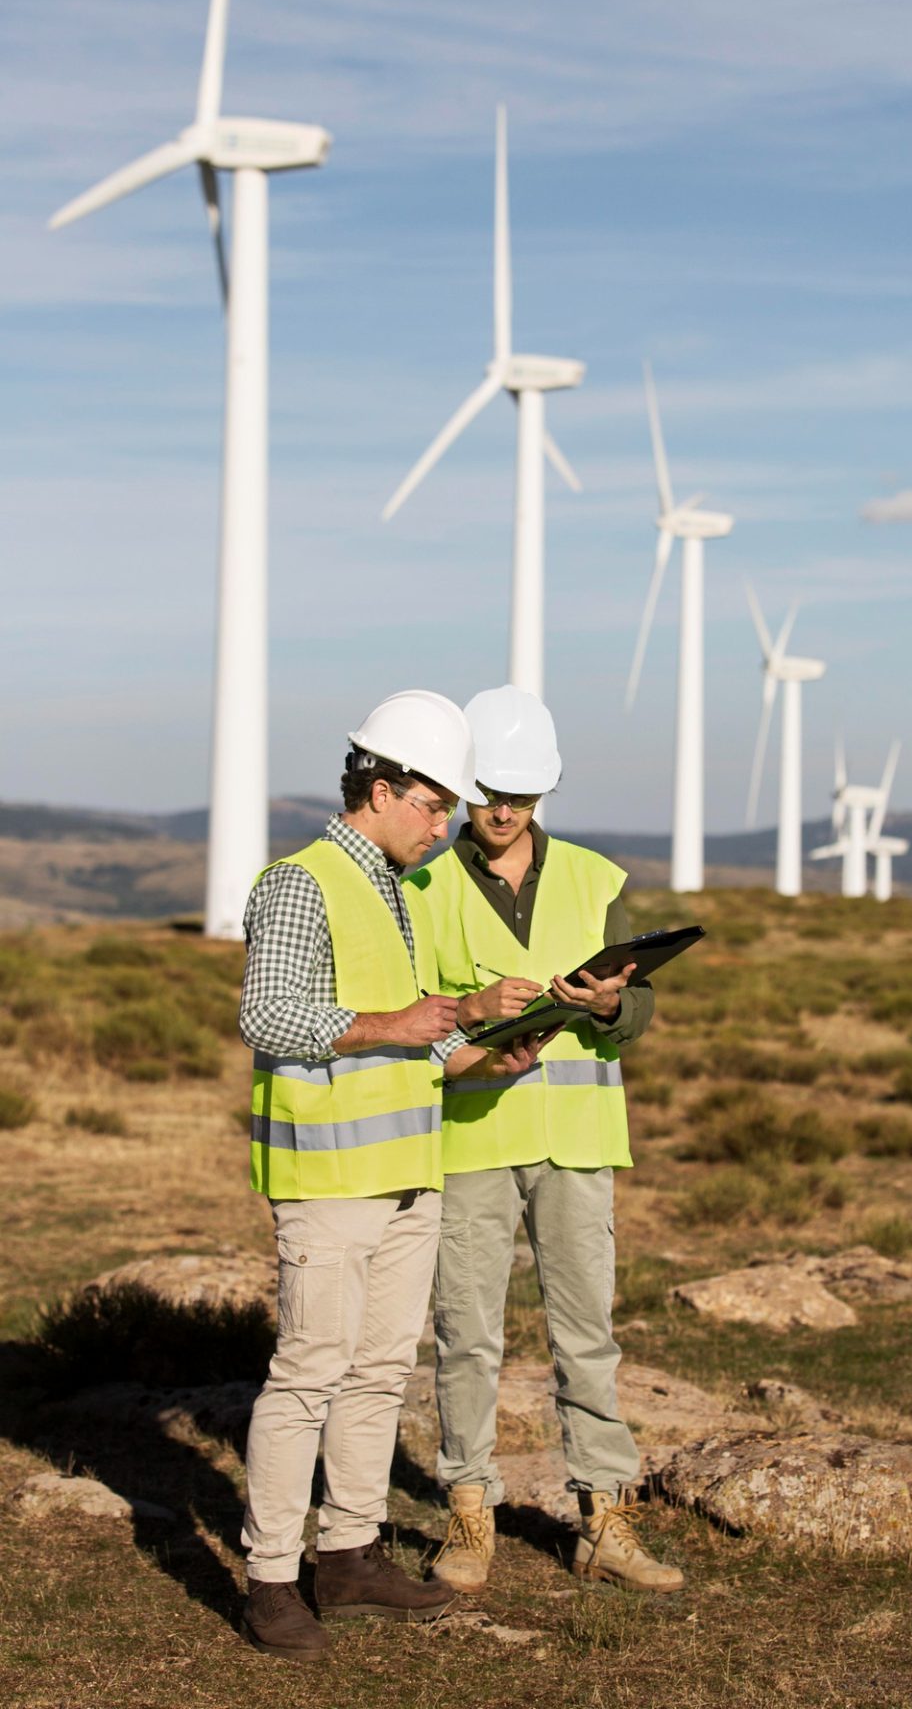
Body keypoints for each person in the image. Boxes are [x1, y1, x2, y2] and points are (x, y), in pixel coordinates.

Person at [237, 690, 544, 1662]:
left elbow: (407, 1045)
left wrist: (481, 1039)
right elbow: (271, 1017)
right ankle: (271, 1576)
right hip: (329, 1180)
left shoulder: (396, 893)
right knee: (308, 1377)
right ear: (379, 789)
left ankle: (351, 1550)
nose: (445, 822)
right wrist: (401, 1023)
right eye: (432, 803)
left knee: (376, 1376)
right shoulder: (300, 881)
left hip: (408, 1177)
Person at [408, 685, 684, 1595]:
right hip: (473, 1136)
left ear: (544, 794)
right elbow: (414, 1018)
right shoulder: (422, 887)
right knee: (466, 1335)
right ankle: (468, 1513)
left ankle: (605, 1517)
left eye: (520, 797)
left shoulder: (597, 879)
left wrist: (611, 1003)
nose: (502, 812)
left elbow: (635, 1008)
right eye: (488, 793)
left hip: (578, 1134)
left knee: (586, 1334)